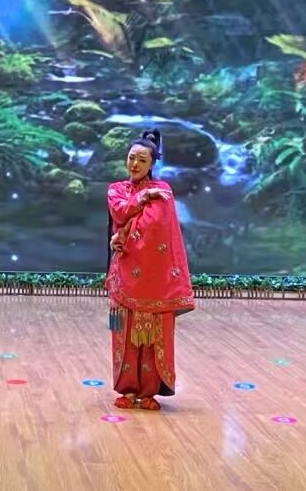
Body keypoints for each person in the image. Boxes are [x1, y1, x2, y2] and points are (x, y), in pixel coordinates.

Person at [104, 129, 194, 411]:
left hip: (155, 277)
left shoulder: (163, 190)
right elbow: (120, 212)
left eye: (142, 160)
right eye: (131, 158)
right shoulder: (116, 189)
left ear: (152, 163)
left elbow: (153, 226)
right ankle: (127, 389)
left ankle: (149, 392)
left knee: (154, 336)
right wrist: (142, 198)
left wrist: (122, 235)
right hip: (124, 274)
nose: (135, 164)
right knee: (123, 335)